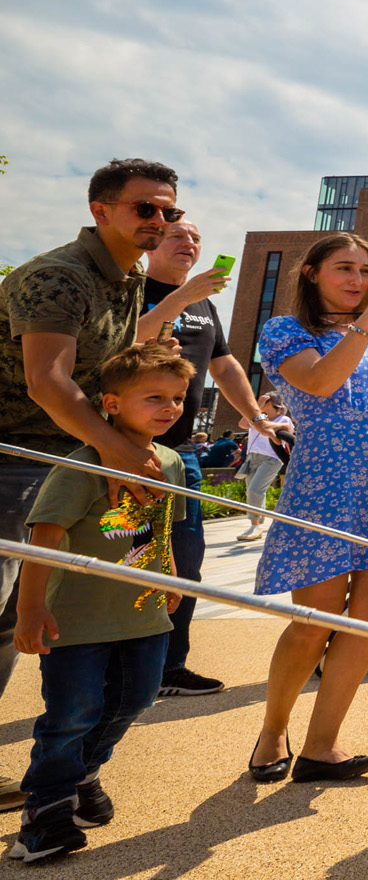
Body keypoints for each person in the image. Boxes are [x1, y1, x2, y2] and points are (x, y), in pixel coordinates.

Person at [0, 158, 178, 811]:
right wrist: (117, 454)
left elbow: (118, 379)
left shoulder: (127, 278)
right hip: (16, 460)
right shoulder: (57, 277)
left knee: (92, 595)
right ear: (101, 210)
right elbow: (49, 381)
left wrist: (127, 456)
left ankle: (72, 767)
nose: (160, 221)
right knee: (0, 613)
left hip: (87, 460)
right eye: (145, 209)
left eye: (170, 211)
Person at [247, 233, 368, 785]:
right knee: (313, 620)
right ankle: (273, 730)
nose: (357, 280)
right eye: (343, 269)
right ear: (311, 273)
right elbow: (320, 382)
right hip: (323, 478)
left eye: (365, 270)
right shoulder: (285, 330)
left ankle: (322, 745)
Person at [9, 342, 191, 863]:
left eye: (177, 398)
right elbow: (41, 538)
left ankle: (80, 773)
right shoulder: (83, 463)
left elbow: (157, 527)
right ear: (110, 404)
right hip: (78, 623)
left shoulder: (171, 460)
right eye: (153, 397)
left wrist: (174, 576)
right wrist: (30, 609)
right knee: (71, 714)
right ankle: (45, 815)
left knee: (136, 699)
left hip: (144, 614)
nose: (169, 407)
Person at [137, 217, 276, 698]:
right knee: (130, 553)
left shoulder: (204, 305)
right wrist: (177, 298)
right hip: (124, 448)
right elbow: (124, 341)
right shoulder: (129, 289)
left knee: (187, 559)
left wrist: (257, 418)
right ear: (153, 243)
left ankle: (169, 668)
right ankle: (120, 667)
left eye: (195, 238)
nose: (189, 243)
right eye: (179, 236)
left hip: (183, 452)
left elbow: (225, 365)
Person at [236, 394, 295, 541]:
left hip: (272, 458)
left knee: (255, 489)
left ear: (269, 402)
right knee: (254, 491)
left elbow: (288, 429)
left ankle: (255, 526)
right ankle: (257, 524)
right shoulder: (257, 417)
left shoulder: (284, 419)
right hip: (252, 457)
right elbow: (242, 424)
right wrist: (256, 408)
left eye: (263, 401)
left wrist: (263, 422)